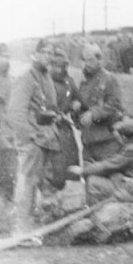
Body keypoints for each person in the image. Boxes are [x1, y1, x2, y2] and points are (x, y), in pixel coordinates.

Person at [6, 40, 60, 236]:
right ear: (34, 54)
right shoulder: (26, 78)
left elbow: (49, 107)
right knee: (27, 182)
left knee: (35, 182)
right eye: (44, 52)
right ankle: (21, 229)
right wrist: (31, 136)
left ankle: (28, 226)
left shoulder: (46, 77)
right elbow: (14, 113)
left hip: (46, 139)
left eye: (51, 53)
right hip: (33, 141)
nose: (48, 56)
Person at [77, 43, 124, 162]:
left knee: (109, 175)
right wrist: (77, 109)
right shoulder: (83, 82)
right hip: (88, 141)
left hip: (107, 141)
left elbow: (115, 105)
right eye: (85, 60)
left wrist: (93, 114)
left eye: (90, 60)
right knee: (89, 176)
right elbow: (83, 106)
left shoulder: (109, 79)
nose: (87, 64)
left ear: (99, 60)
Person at [49, 47, 82, 191]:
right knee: (56, 161)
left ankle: (71, 188)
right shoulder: (47, 82)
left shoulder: (69, 81)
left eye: (60, 67)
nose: (57, 70)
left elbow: (77, 98)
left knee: (72, 156)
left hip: (66, 127)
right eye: (54, 66)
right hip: (51, 126)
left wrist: (77, 104)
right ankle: (55, 188)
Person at [0, 51, 14, 206]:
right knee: (2, 161)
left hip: (7, 128)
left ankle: (6, 192)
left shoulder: (10, 82)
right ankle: (3, 191)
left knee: (7, 162)